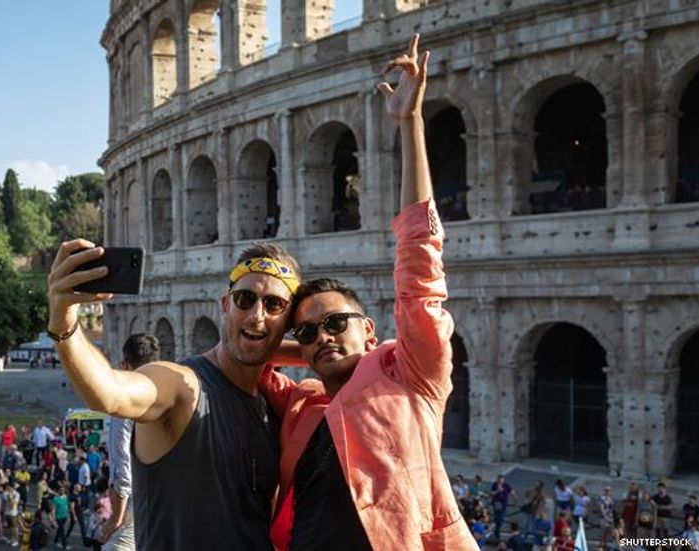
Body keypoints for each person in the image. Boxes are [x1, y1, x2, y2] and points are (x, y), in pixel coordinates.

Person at [255, 34, 477, 550]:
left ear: (369, 329)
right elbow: (251, 354)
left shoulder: (412, 375)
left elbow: (420, 262)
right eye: (308, 331)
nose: (322, 337)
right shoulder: (300, 405)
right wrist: (307, 353)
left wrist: (409, 123)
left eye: (335, 323)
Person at [49, 187, 300, 546]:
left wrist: (311, 351)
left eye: (274, 305)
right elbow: (108, 391)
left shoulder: (273, 405)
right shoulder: (181, 384)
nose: (257, 315)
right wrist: (64, 324)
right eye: (246, 300)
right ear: (225, 306)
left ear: (288, 321)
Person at [101, 334, 160, 551]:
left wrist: (115, 518)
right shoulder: (171, 395)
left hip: (138, 503)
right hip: (172, 500)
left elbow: (122, 466)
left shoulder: (125, 403)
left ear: (126, 364)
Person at [490, 474, 518, 540]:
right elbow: (492, 493)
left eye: (501, 480)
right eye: (498, 480)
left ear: (503, 480)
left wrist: (515, 499)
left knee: (500, 518)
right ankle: (496, 531)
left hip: (504, 503)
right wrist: (498, 490)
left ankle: (496, 528)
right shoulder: (494, 485)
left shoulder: (506, 485)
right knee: (499, 517)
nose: (499, 481)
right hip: (497, 503)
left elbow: (511, 491)